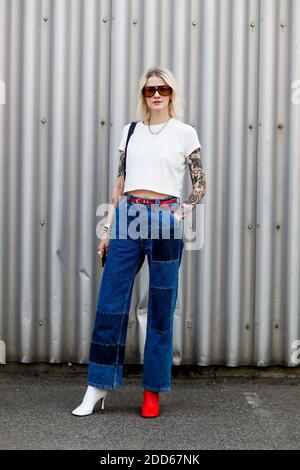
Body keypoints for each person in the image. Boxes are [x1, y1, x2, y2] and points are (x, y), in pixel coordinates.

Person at [72, 66, 207, 418]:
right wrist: (107, 229)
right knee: (111, 303)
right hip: (127, 216)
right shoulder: (130, 132)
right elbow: (119, 184)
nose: (157, 95)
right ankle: (97, 386)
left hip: (165, 218)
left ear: (172, 93)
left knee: (161, 308)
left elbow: (200, 186)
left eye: (162, 89)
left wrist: (179, 214)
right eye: (150, 90)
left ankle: (152, 391)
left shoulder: (185, 133)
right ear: (143, 96)